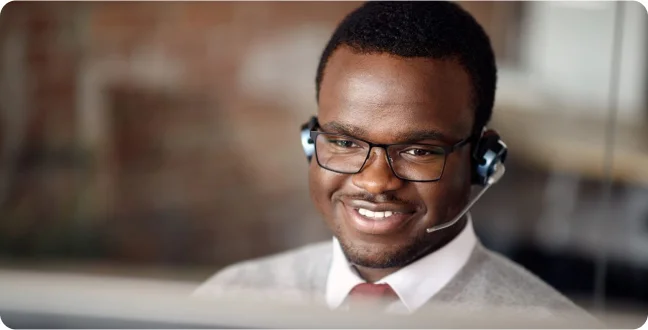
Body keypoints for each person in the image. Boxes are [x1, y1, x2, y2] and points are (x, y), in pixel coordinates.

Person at [195, 1, 594, 322]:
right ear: (310, 142)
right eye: (344, 142)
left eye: (418, 151)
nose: (374, 182)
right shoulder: (229, 301)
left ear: (481, 160)